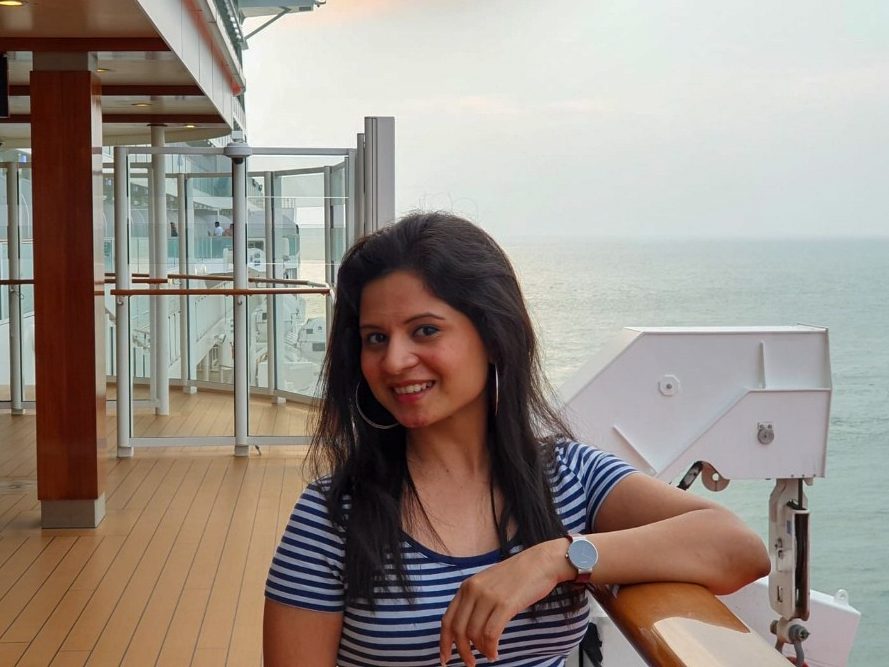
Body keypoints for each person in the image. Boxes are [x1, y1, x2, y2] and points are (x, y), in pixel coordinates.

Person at [263, 212, 770, 667]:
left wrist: (554, 560)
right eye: (376, 337)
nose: (394, 361)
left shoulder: (568, 479)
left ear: (492, 336)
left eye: (424, 331)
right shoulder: (332, 520)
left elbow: (738, 549)